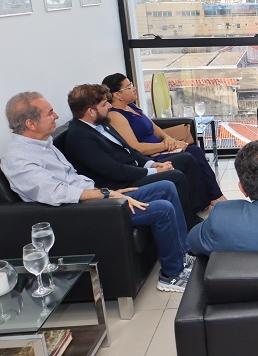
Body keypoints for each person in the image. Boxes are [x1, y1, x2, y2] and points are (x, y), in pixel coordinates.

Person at [1, 92, 193, 292]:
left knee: (166, 187)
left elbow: (75, 180)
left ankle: (182, 254)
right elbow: (57, 192)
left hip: (92, 199)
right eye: (50, 113)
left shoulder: (43, 144)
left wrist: (107, 191)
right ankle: (171, 275)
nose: (56, 116)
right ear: (31, 124)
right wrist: (108, 195)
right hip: (80, 212)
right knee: (161, 209)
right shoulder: (19, 158)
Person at [63, 84, 203, 230]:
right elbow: (115, 171)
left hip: (133, 170)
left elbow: (130, 151)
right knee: (175, 176)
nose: (110, 106)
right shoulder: (80, 138)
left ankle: (193, 213)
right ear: (91, 112)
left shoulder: (100, 124)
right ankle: (189, 226)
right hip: (121, 183)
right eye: (104, 104)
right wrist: (155, 172)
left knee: (186, 159)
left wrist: (152, 164)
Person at [103, 73, 226, 209]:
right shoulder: (115, 116)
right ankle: (212, 198)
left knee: (195, 151)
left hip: (163, 148)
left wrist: (168, 139)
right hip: (151, 157)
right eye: (128, 87)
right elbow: (136, 148)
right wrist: (165, 146)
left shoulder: (131, 106)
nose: (134, 88)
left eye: (131, 84)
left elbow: (154, 127)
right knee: (192, 154)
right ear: (117, 95)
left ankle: (213, 197)